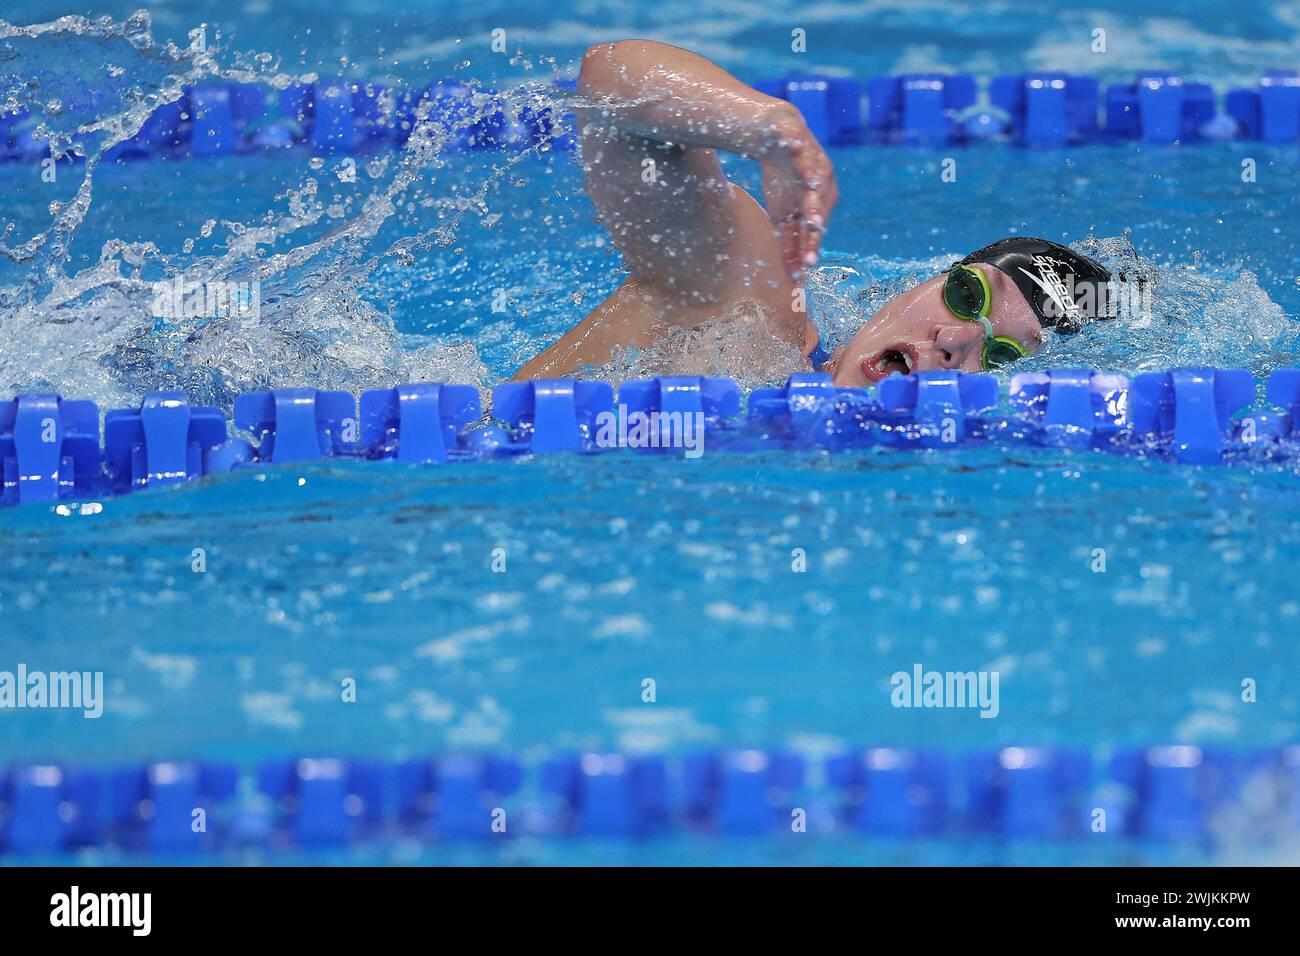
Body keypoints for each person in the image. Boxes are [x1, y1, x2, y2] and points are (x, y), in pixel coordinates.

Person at [513, 40, 1112, 387]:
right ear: (918, 283)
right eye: (965, 295)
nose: (954, 339)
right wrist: (769, 129)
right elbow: (610, 80)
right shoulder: (745, 313)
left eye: (1000, 356)